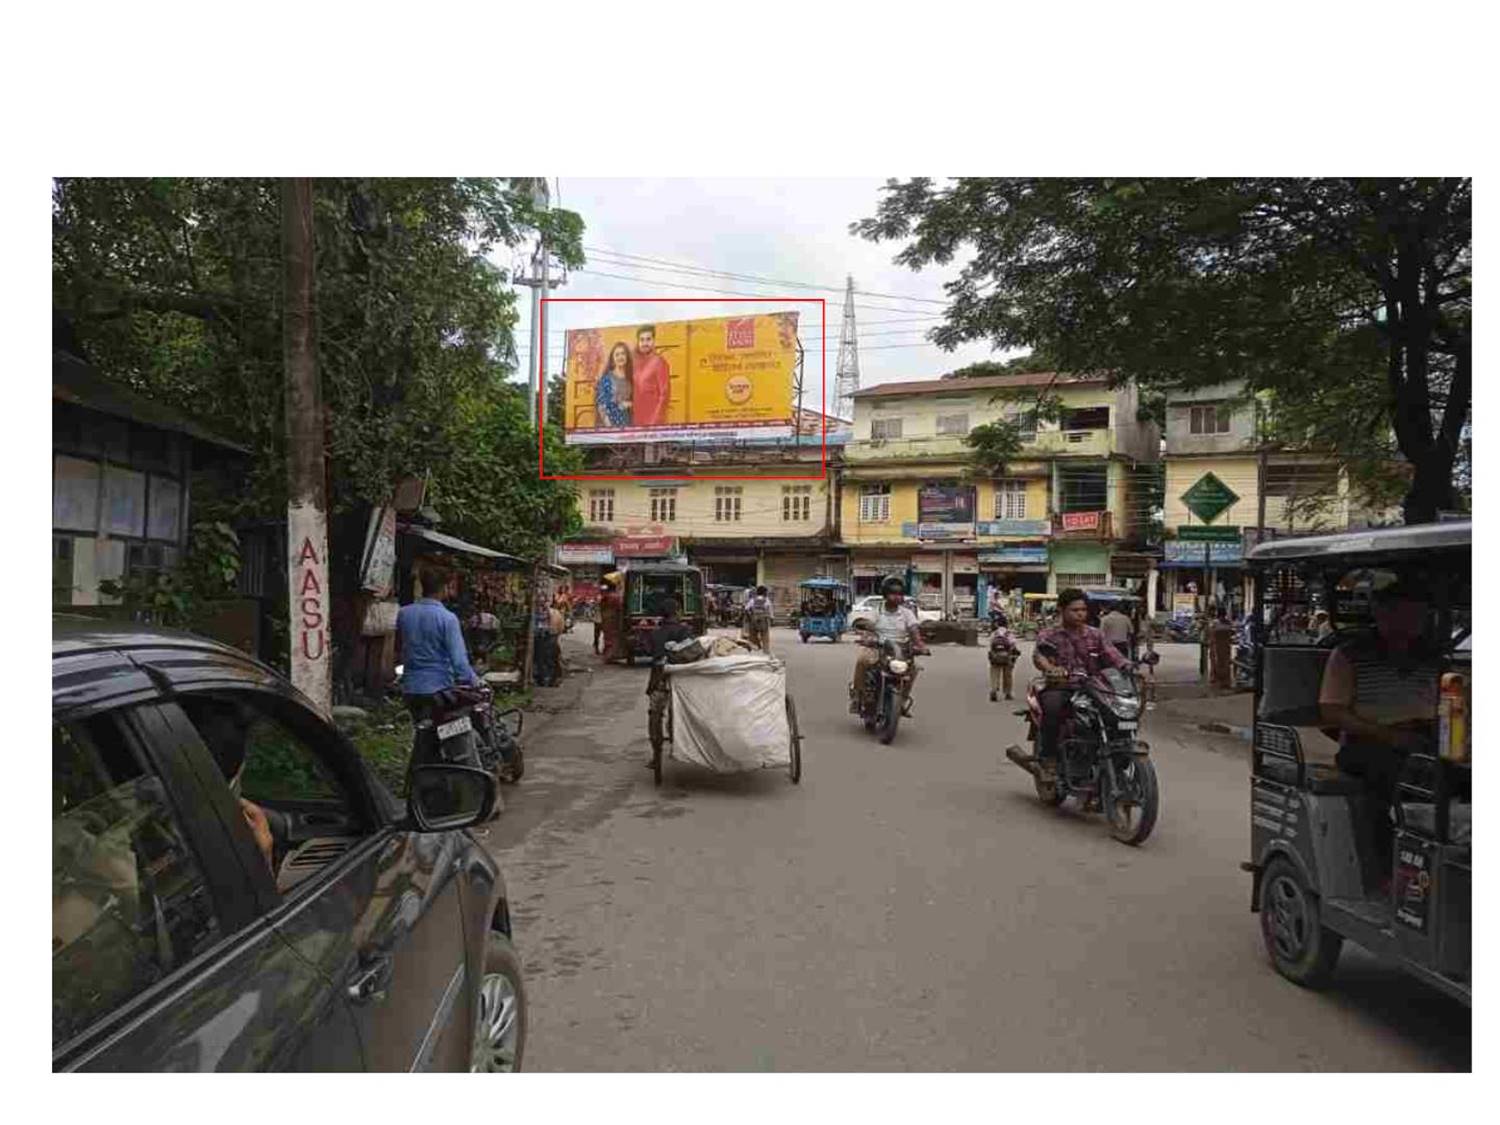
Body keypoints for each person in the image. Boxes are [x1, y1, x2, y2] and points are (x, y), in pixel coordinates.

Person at [1318, 577, 1441, 874]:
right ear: (1382, 613)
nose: (1413, 621)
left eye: (1419, 614)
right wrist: (1390, 736)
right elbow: (1331, 711)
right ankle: (1388, 870)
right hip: (1368, 742)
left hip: (1425, 738)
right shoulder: (1349, 655)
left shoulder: (1433, 657)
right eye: (1404, 613)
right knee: (1395, 781)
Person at [1033, 588, 1133, 774]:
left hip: (1094, 687)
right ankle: (1049, 756)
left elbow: (1113, 655)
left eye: (1083, 610)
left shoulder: (1096, 634)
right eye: (1075, 610)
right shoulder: (1049, 635)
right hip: (1062, 686)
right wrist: (1051, 669)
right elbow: (1040, 657)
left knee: (1119, 714)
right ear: (1061, 610)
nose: (1080, 614)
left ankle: (1116, 753)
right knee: (1052, 709)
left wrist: (1129, 667)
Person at [397, 562, 481, 720]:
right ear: (444, 588)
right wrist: (473, 681)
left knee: (421, 730)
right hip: (439, 690)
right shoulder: (448, 618)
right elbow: (459, 661)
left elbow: (402, 647)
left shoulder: (404, 613)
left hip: (411, 689)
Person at [851, 576, 929, 713]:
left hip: (900, 650)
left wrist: (921, 646)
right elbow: (868, 626)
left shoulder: (907, 614)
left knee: (914, 668)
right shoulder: (877, 612)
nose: (897, 597)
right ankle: (858, 696)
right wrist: (866, 638)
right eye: (893, 593)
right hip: (878, 647)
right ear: (885, 595)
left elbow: (914, 631)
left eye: (899, 594)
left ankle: (902, 700)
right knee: (862, 660)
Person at [631, 324, 671, 428]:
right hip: (635, 422)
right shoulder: (633, 362)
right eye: (642, 340)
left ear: (653, 341)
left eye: (648, 339)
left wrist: (655, 422)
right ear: (638, 342)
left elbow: (664, 395)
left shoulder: (659, 362)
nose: (645, 343)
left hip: (652, 424)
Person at [594, 342, 634, 428]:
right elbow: (601, 406)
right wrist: (610, 428)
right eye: (617, 354)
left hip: (628, 424)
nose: (620, 357)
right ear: (613, 359)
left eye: (623, 353)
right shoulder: (607, 379)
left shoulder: (631, 378)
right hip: (610, 424)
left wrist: (630, 404)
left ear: (627, 356)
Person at [988, 620, 1020, 702]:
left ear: (998, 624)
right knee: (1008, 675)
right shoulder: (1009, 634)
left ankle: (994, 690)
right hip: (1007, 657)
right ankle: (1007, 693)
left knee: (994, 674)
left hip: (995, 657)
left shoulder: (994, 633)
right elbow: (1013, 644)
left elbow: (991, 643)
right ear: (1007, 625)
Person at [599, 573, 625, 662]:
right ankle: (610, 656)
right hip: (613, 619)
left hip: (606, 618)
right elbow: (620, 607)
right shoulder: (615, 597)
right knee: (613, 637)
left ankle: (608, 655)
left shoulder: (606, 596)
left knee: (607, 637)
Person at [745, 585, 773, 653]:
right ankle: (766, 651)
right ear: (764, 592)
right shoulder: (767, 600)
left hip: (754, 620)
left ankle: (754, 649)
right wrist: (771, 619)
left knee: (752, 636)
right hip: (764, 620)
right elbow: (770, 611)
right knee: (765, 637)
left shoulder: (752, 600)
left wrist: (749, 618)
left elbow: (746, 609)